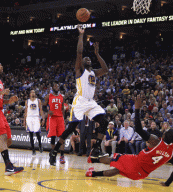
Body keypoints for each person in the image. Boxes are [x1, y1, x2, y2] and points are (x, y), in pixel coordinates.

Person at [86, 95, 173, 187]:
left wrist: (137, 109)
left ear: (164, 136)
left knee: (114, 160)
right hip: (142, 174)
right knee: (118, 170)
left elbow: (138, 129)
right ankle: (93, 173)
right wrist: (167, 183)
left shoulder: (156, 141)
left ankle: (93, 159)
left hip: (135, 162)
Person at [49, 25, 109, 165]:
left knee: (104, 121)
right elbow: (80, 52)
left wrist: (97, 54)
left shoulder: (93, 72)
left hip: (91, 102)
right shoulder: (80, 71)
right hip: (80, 101)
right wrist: (81, 34)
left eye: (89, 58)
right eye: (85, 59)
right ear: (81, 63)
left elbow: (105, 69)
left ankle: (95, 149)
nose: (87, 59)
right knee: (70, 129)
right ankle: (54, 151)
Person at [44, 83, 66, 164]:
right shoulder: (48, 96)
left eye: (57, 86)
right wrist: (47, 111)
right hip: (52, 118)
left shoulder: (61, 97)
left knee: (62, 138)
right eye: (55, 86)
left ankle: (62, 156)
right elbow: (43, 106)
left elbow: (63, 108)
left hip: (60, 118)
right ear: (52, 87)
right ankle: (53, 155)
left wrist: (64, 118)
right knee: (52, 138)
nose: (57, 87)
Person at [23, 90, 45, 156]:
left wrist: (43, 118)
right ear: (30, 94)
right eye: (32, 92)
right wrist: (24, 120)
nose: (33, 93)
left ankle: (40, 145)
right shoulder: (27, 101)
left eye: (34, 92)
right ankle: (33, 149)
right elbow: (26, 111)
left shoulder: (38, 101)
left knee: (38, 133)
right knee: (31, 135)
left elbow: (41, 110)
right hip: (29, 118)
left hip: (36, 117)